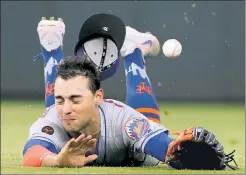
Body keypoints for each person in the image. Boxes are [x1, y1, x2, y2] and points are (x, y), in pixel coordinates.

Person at [22, 14, 195, 167]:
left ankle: (134, 53)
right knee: (61, 103)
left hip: (130, 135)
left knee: (146, 122)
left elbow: (167, 149)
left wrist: (189, 153)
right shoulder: (52, 118)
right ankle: (51, 49)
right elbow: (32, 153)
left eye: (76, 100)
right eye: (59, 100)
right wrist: (57, 161)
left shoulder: (124, 120)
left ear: (99, 97)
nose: (65, 108)